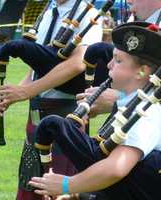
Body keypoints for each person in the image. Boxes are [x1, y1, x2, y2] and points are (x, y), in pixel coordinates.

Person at [29, 21, 161, 200]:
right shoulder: (131, 104)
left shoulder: (146, 112)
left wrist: (67, 184)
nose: (109, 65)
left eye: (118, 60)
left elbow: (116, 168)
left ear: (141, 72)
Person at [0, 0, 107, 199]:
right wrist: (13, 94)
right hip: (37, 114)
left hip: (66, 117)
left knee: (59, 193)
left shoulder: (89, 14)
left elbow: (78, 63)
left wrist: (26, 92)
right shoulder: (48, 11)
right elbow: (38, 66)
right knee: (32, 189)